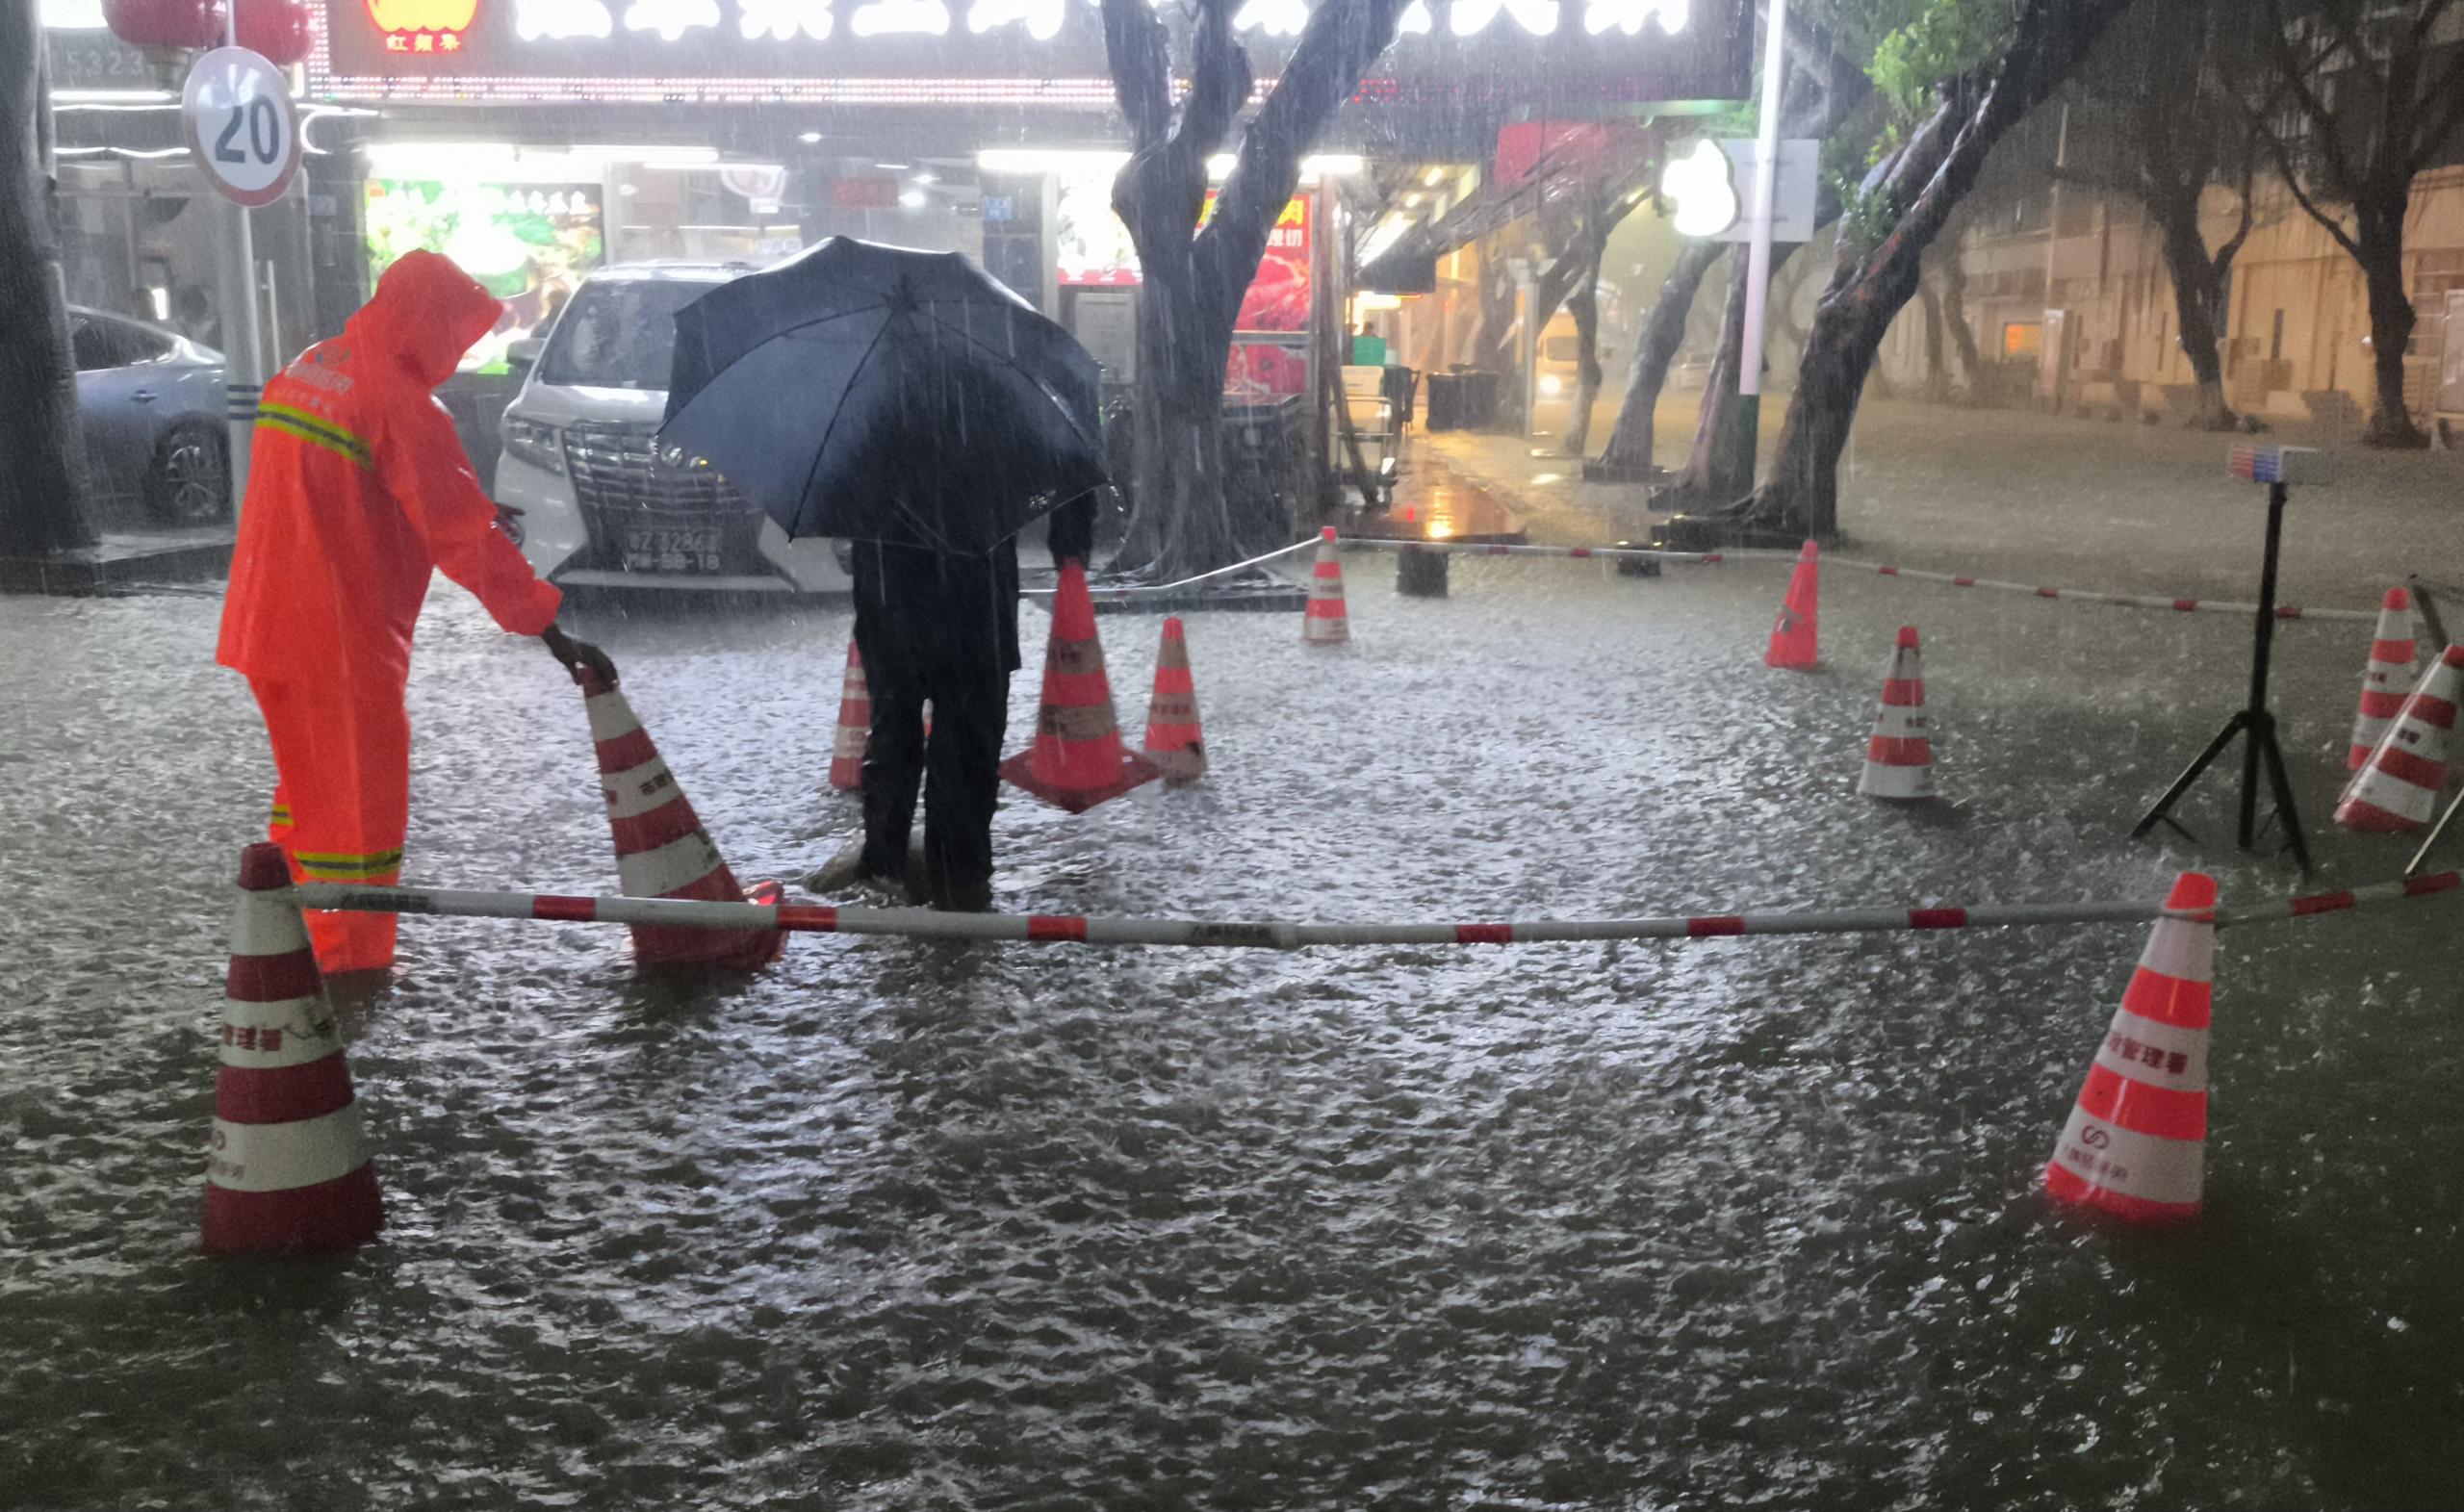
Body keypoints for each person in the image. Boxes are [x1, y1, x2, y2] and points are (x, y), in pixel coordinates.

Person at [217, 249, 617, 975]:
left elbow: (345, 494)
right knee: (358, 814)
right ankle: (347, 967)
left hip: (263, 622)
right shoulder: (403, 405)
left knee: (309, 793)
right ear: (427, 324)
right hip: (337, 640)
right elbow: (462, 536)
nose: (457, 354)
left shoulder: (309, 368)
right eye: (455, 334)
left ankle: (288, 932)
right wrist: (551, 630)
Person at [834, 492, 1095, 913]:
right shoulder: (994, 454)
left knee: (895, 737)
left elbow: (845, 484)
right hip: (973, 587)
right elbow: (1067, 472)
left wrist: (854, 528)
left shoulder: (876, 458)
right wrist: (1071, 542)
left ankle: (884, 879)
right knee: (962, 746)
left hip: (892, 581)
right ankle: (957, 887)